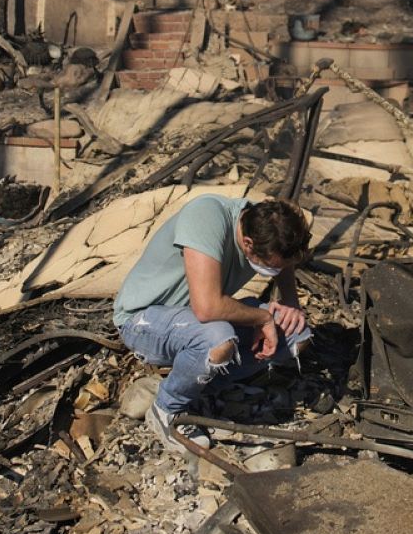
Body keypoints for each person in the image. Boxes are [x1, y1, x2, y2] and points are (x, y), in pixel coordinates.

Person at [113, 194, 314, 453]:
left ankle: (202, 391)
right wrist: (262, 318)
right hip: (143, 320)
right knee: (218, 339)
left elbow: (284, 261)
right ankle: (166, 410)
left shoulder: (269, 224)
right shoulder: (207, 216)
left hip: (196, 319)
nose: (274, 272)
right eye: (270, 268)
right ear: (248, 244)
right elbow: (207, 308)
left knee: (297, 334)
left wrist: (290, 304)